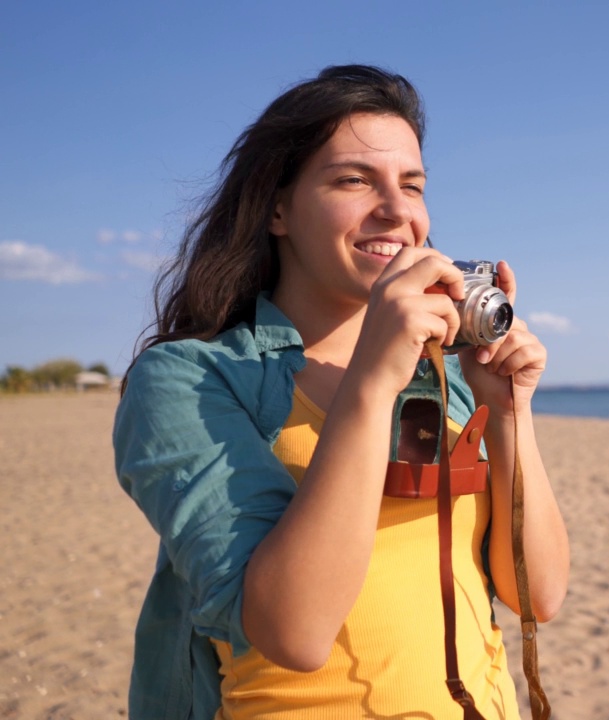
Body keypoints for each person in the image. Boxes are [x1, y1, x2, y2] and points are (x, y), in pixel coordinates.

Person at [113, 65, 570, 719]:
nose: (397, 210)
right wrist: (372, 381)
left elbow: (537, 597)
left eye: (412, 185)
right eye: (354, 180)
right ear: (276, 207)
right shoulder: (191, 379)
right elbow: (293, 632)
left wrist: (507, 413)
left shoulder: (441, 373)